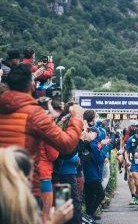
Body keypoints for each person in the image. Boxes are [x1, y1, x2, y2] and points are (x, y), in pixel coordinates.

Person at [0, 64, 83, 202]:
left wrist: (50, 118)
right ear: (32, 86)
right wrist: (77, 119)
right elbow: (64, 146)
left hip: (5, 184)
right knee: (55, 214)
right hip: (30, 186)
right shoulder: (33, 114)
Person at [0, 146, 74, 224]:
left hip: (44, 173)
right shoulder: (47, 133)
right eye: (28, 179)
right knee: (44, 216)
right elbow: (53, 155)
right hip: (45, 174)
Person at [80, 110, 114, 224]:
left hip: (88, 173)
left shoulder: (90, 142)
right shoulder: (92, 144)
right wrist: (105, 148)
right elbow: (99, 159)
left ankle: (89, 218)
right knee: (100, 195)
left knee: (89, 195)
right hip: (92, 173)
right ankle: (88, 214)